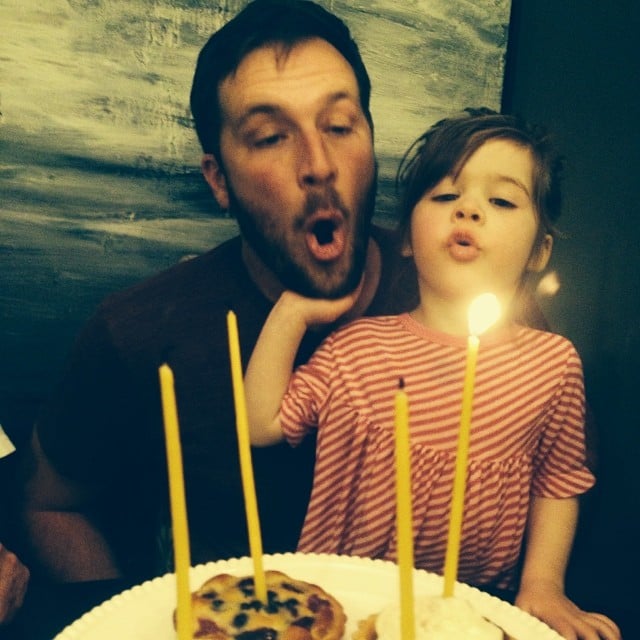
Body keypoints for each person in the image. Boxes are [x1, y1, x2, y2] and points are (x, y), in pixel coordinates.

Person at [20, 0, 417, 586]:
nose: (319, 164)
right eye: (269, 137)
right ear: (218, 180)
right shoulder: (138, 329)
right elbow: (49, 504)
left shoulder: (466, 301)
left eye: (339, 126)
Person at [244, 109, 621, 640]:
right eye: (445, 197)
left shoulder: (553, 365)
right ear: (405, 238)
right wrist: (292, 312)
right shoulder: (357, 349)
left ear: (540, 250)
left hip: (468, 611)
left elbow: (558, 482)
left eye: (502, 201)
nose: (467, 209)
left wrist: (542, 585)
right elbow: (260, 426)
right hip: (344, 604)